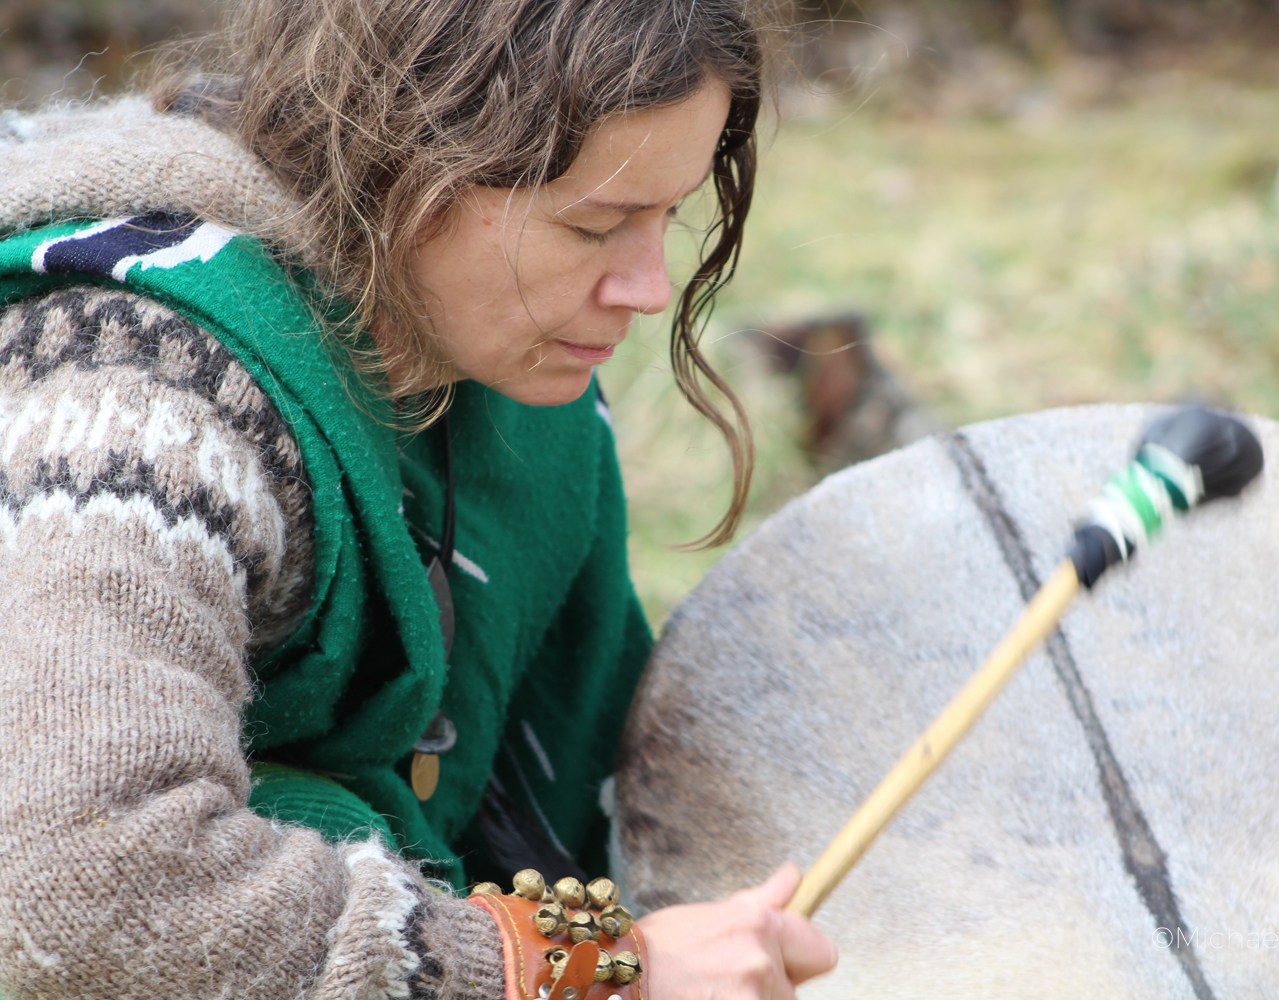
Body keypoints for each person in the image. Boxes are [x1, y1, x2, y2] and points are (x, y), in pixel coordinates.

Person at [0, 0, 838, 997]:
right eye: (596, 225)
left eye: (671, 214)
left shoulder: (514, 383)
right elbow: (81, 891)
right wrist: (580, 968)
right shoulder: (131, 406)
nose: (650, 286)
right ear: (402, 163)